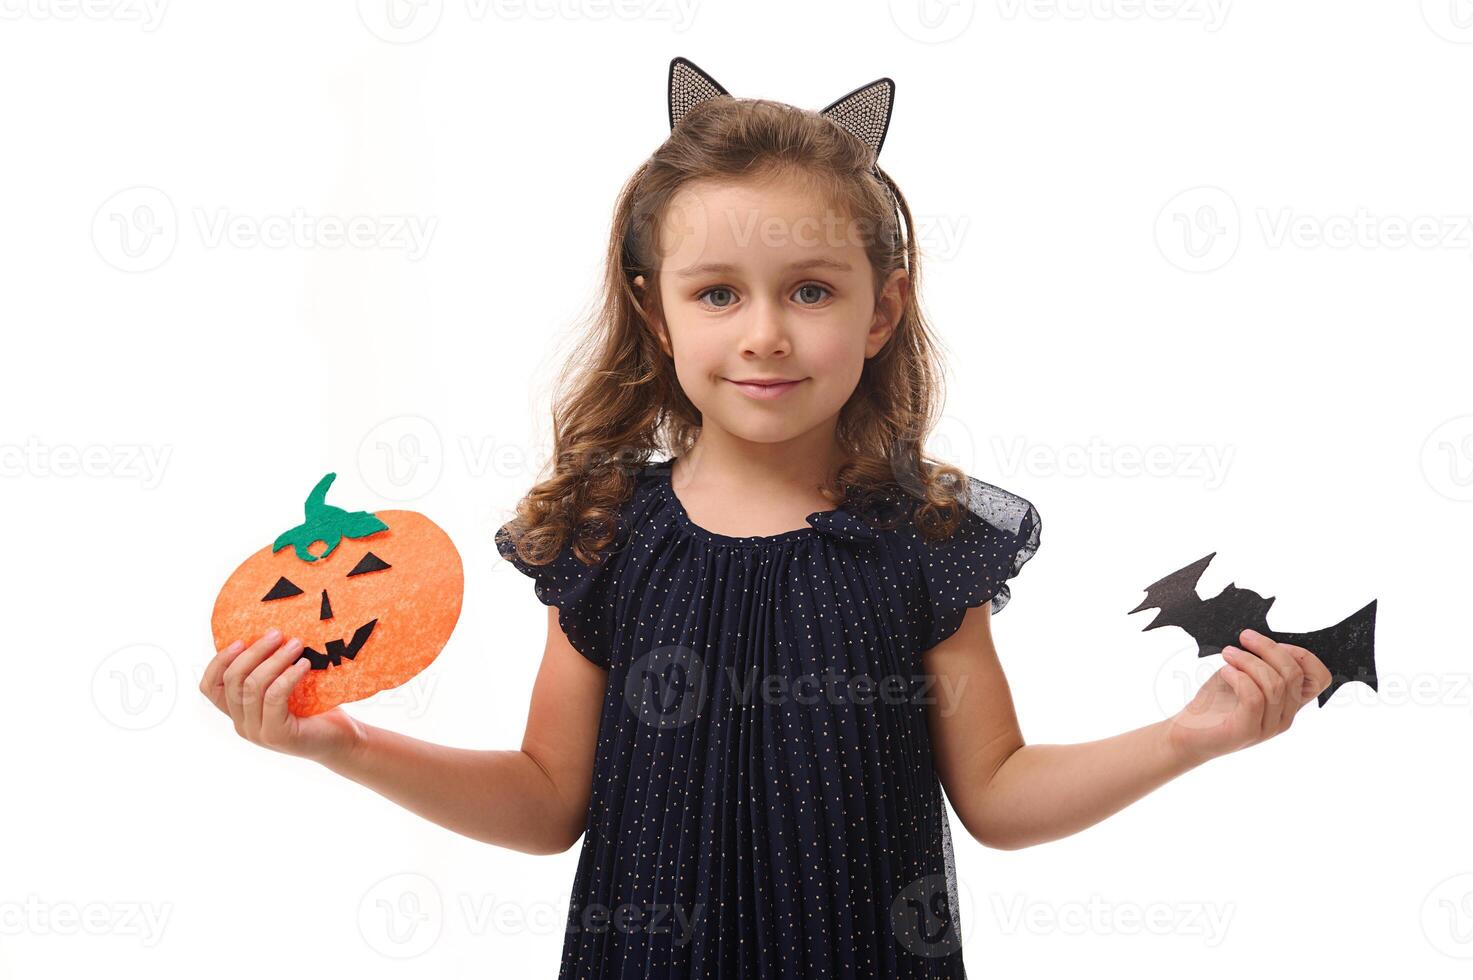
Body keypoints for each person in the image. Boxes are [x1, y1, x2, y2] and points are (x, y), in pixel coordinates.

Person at [199, 58, 1334, 978]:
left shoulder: (923, 543)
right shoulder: (605, 540)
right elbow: (550, 800)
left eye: (810, 290)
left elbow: (997, 792)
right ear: (654, 309)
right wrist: (339, 742)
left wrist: (1190, 735)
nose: (764, 335)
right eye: (717, 292)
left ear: (882, 307)